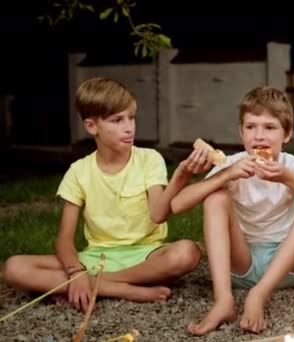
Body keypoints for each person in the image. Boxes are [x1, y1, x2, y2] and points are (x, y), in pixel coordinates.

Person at [2, 77, 209, 312]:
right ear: (92, 126)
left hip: (145, 256)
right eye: (117, 120)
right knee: (14, 267)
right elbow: (63, 240)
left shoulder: (149, 159)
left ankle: (97, 285)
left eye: (131, 118)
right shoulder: (79, 171)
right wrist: (76, 271)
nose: (129, 127)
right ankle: (124, 290)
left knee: (187, 252)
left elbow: (158, 214)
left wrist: (180, 177)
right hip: (95, 258)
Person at [171, 86, 294, 336]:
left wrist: (288, 178)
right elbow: (178, 205)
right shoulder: (232, 164)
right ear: (241, 132)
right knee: (216, 196)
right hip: (242, 264)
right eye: (251, 127)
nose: (259, 136)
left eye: (269, 127)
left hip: (287, 266)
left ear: (287, 134)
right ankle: (223, 300)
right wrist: (226, 175)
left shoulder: (292, 165)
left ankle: (259, 294)